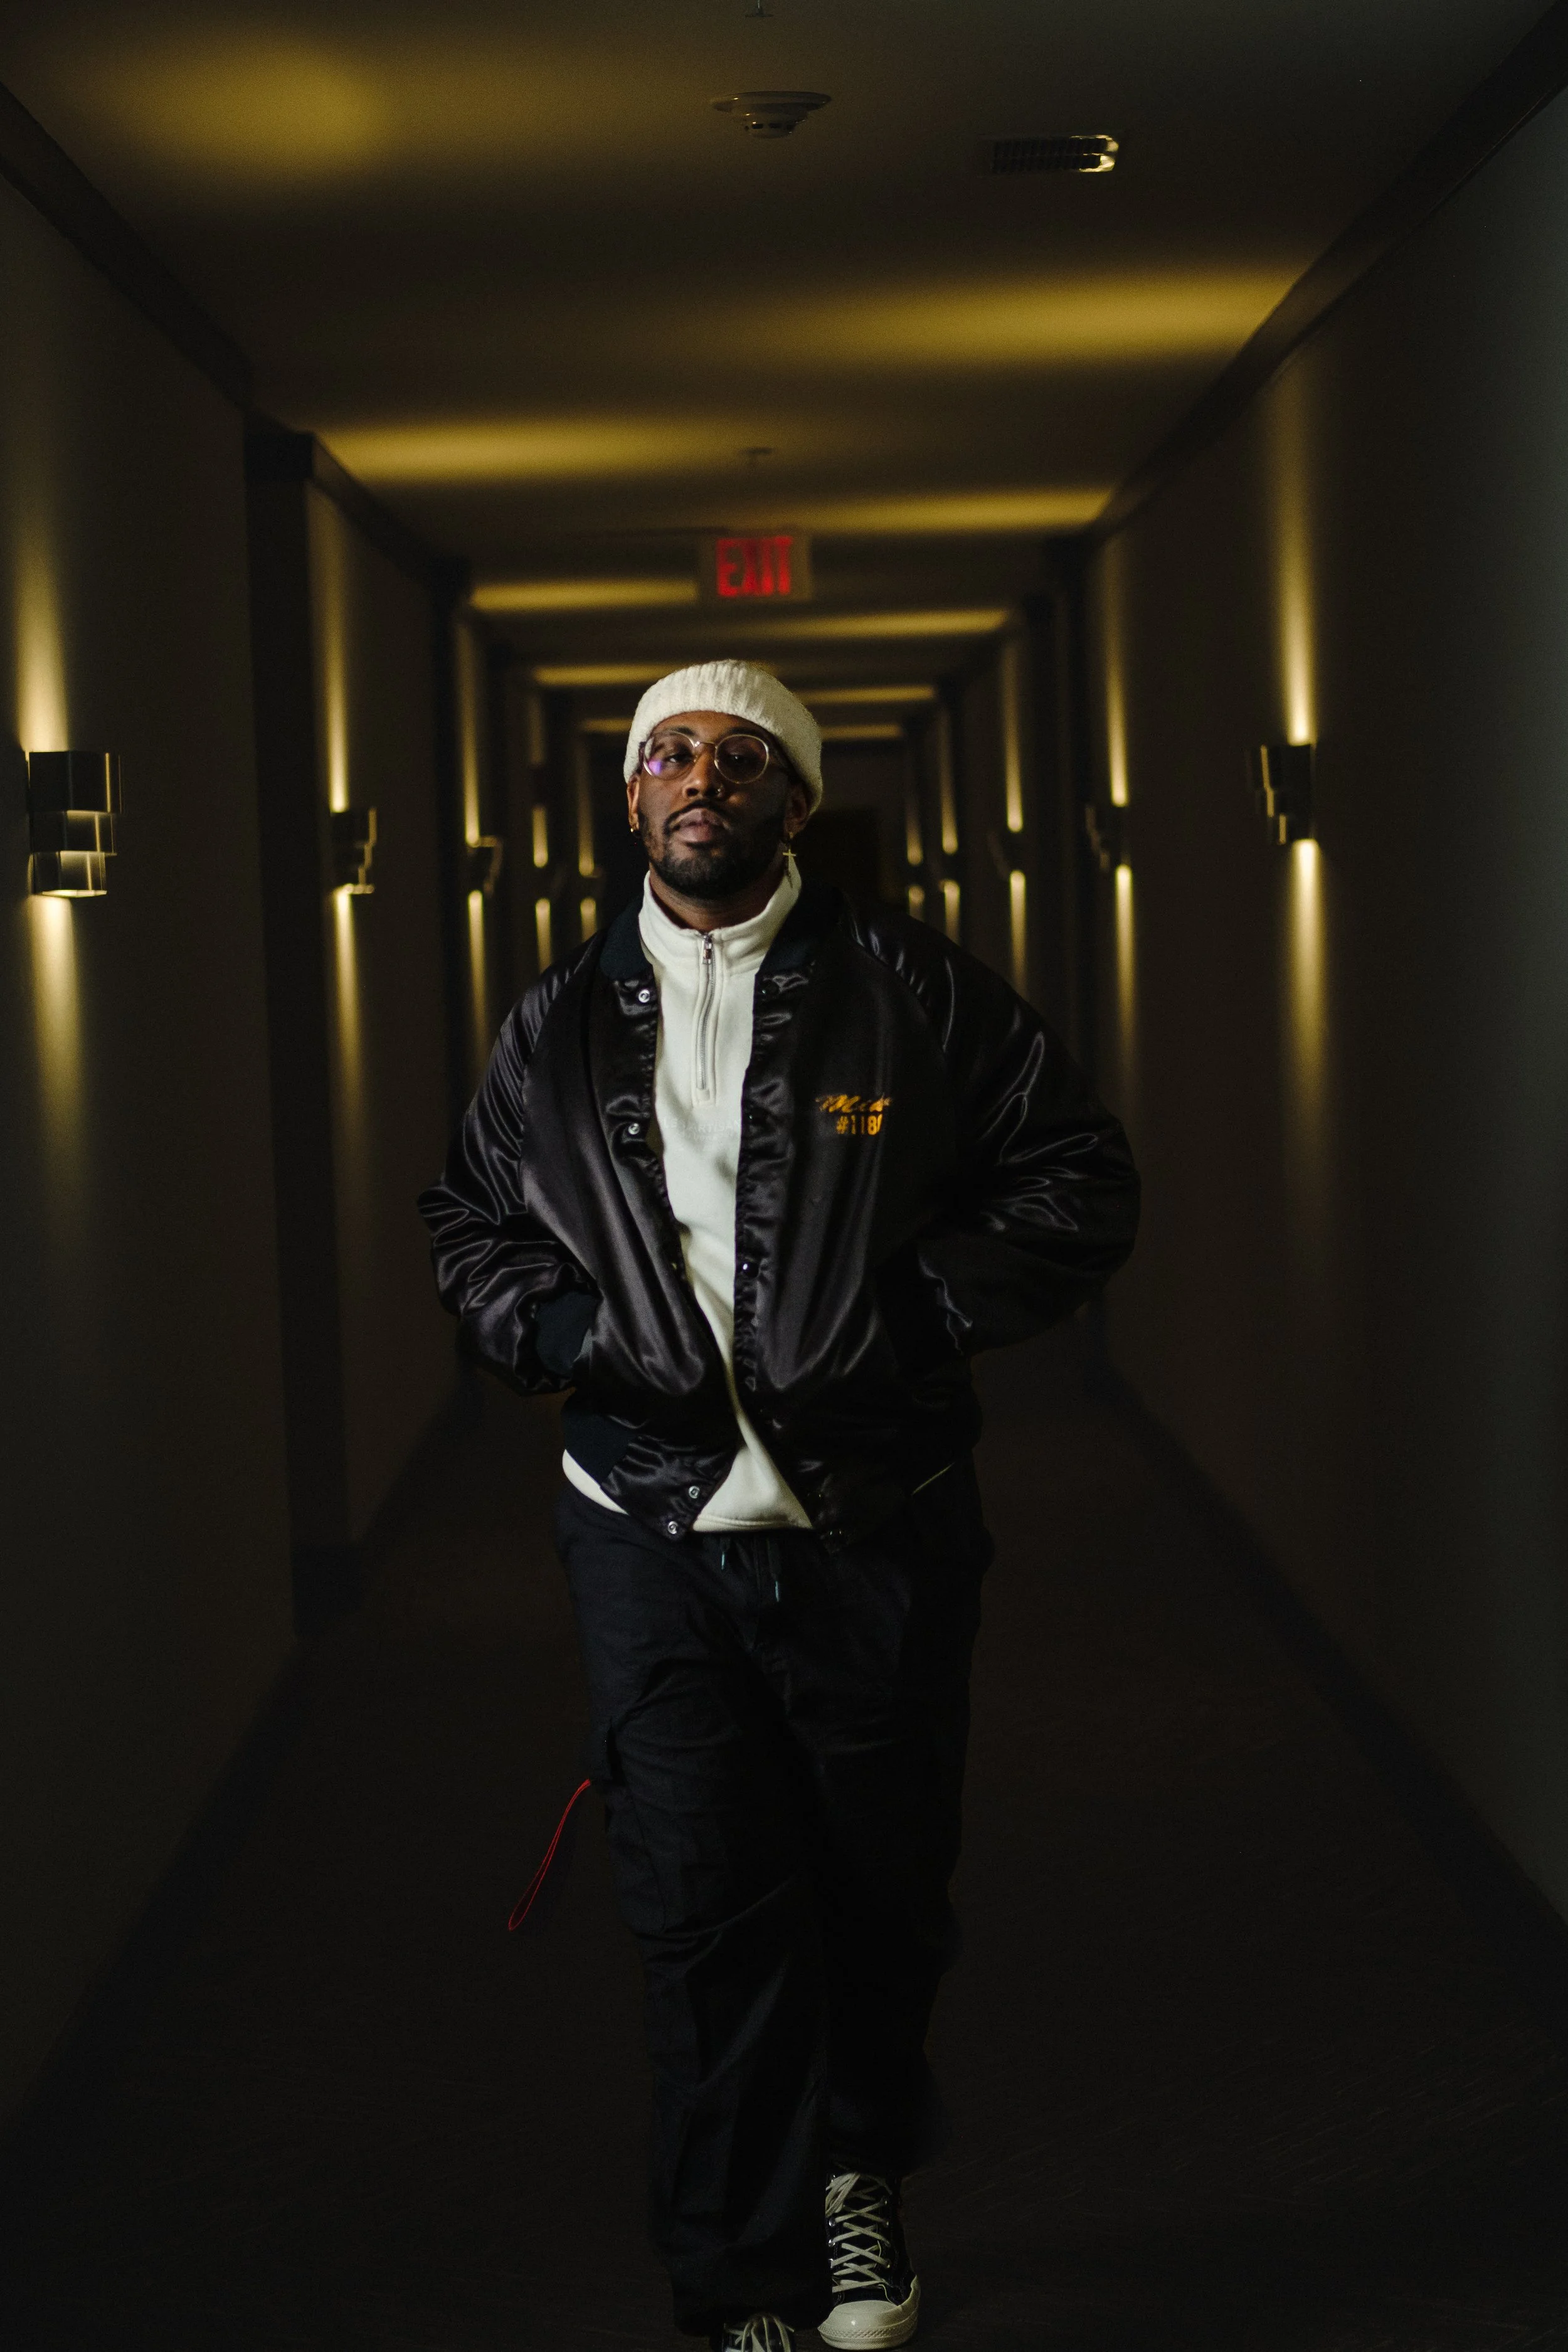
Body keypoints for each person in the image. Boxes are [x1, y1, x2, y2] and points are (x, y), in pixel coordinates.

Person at [420, 661, 1138, 2352]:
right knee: (697, 1898)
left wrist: (908, 1314)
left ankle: (857, 2170)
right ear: (629, 799)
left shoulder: (912, 989)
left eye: (740, 759)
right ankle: (735, 2273)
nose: (700, 778)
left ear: (794, 802)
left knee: (877, 1882)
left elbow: (1078, 1175)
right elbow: (470, 1219)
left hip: (875, 1514)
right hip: (645, 1521)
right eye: (668, 752)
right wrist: (570, 1329)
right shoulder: (560, 1017)